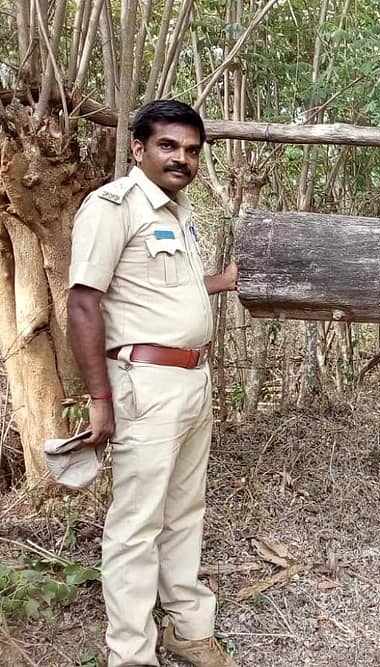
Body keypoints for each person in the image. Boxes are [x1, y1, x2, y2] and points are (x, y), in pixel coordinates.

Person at [67, 100, 238, 667]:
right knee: (137, 524)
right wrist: (99, 398)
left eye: (191, 150)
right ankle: (132, 654)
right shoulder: (112, 207)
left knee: (186, 509)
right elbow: (85, 302)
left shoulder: (178, 213)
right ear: (138, 148)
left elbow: (165, 294)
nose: (181, 158)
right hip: (146, 382)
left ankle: (188, 630)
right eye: (168, 146)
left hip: (192, 379)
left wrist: (223, 282)